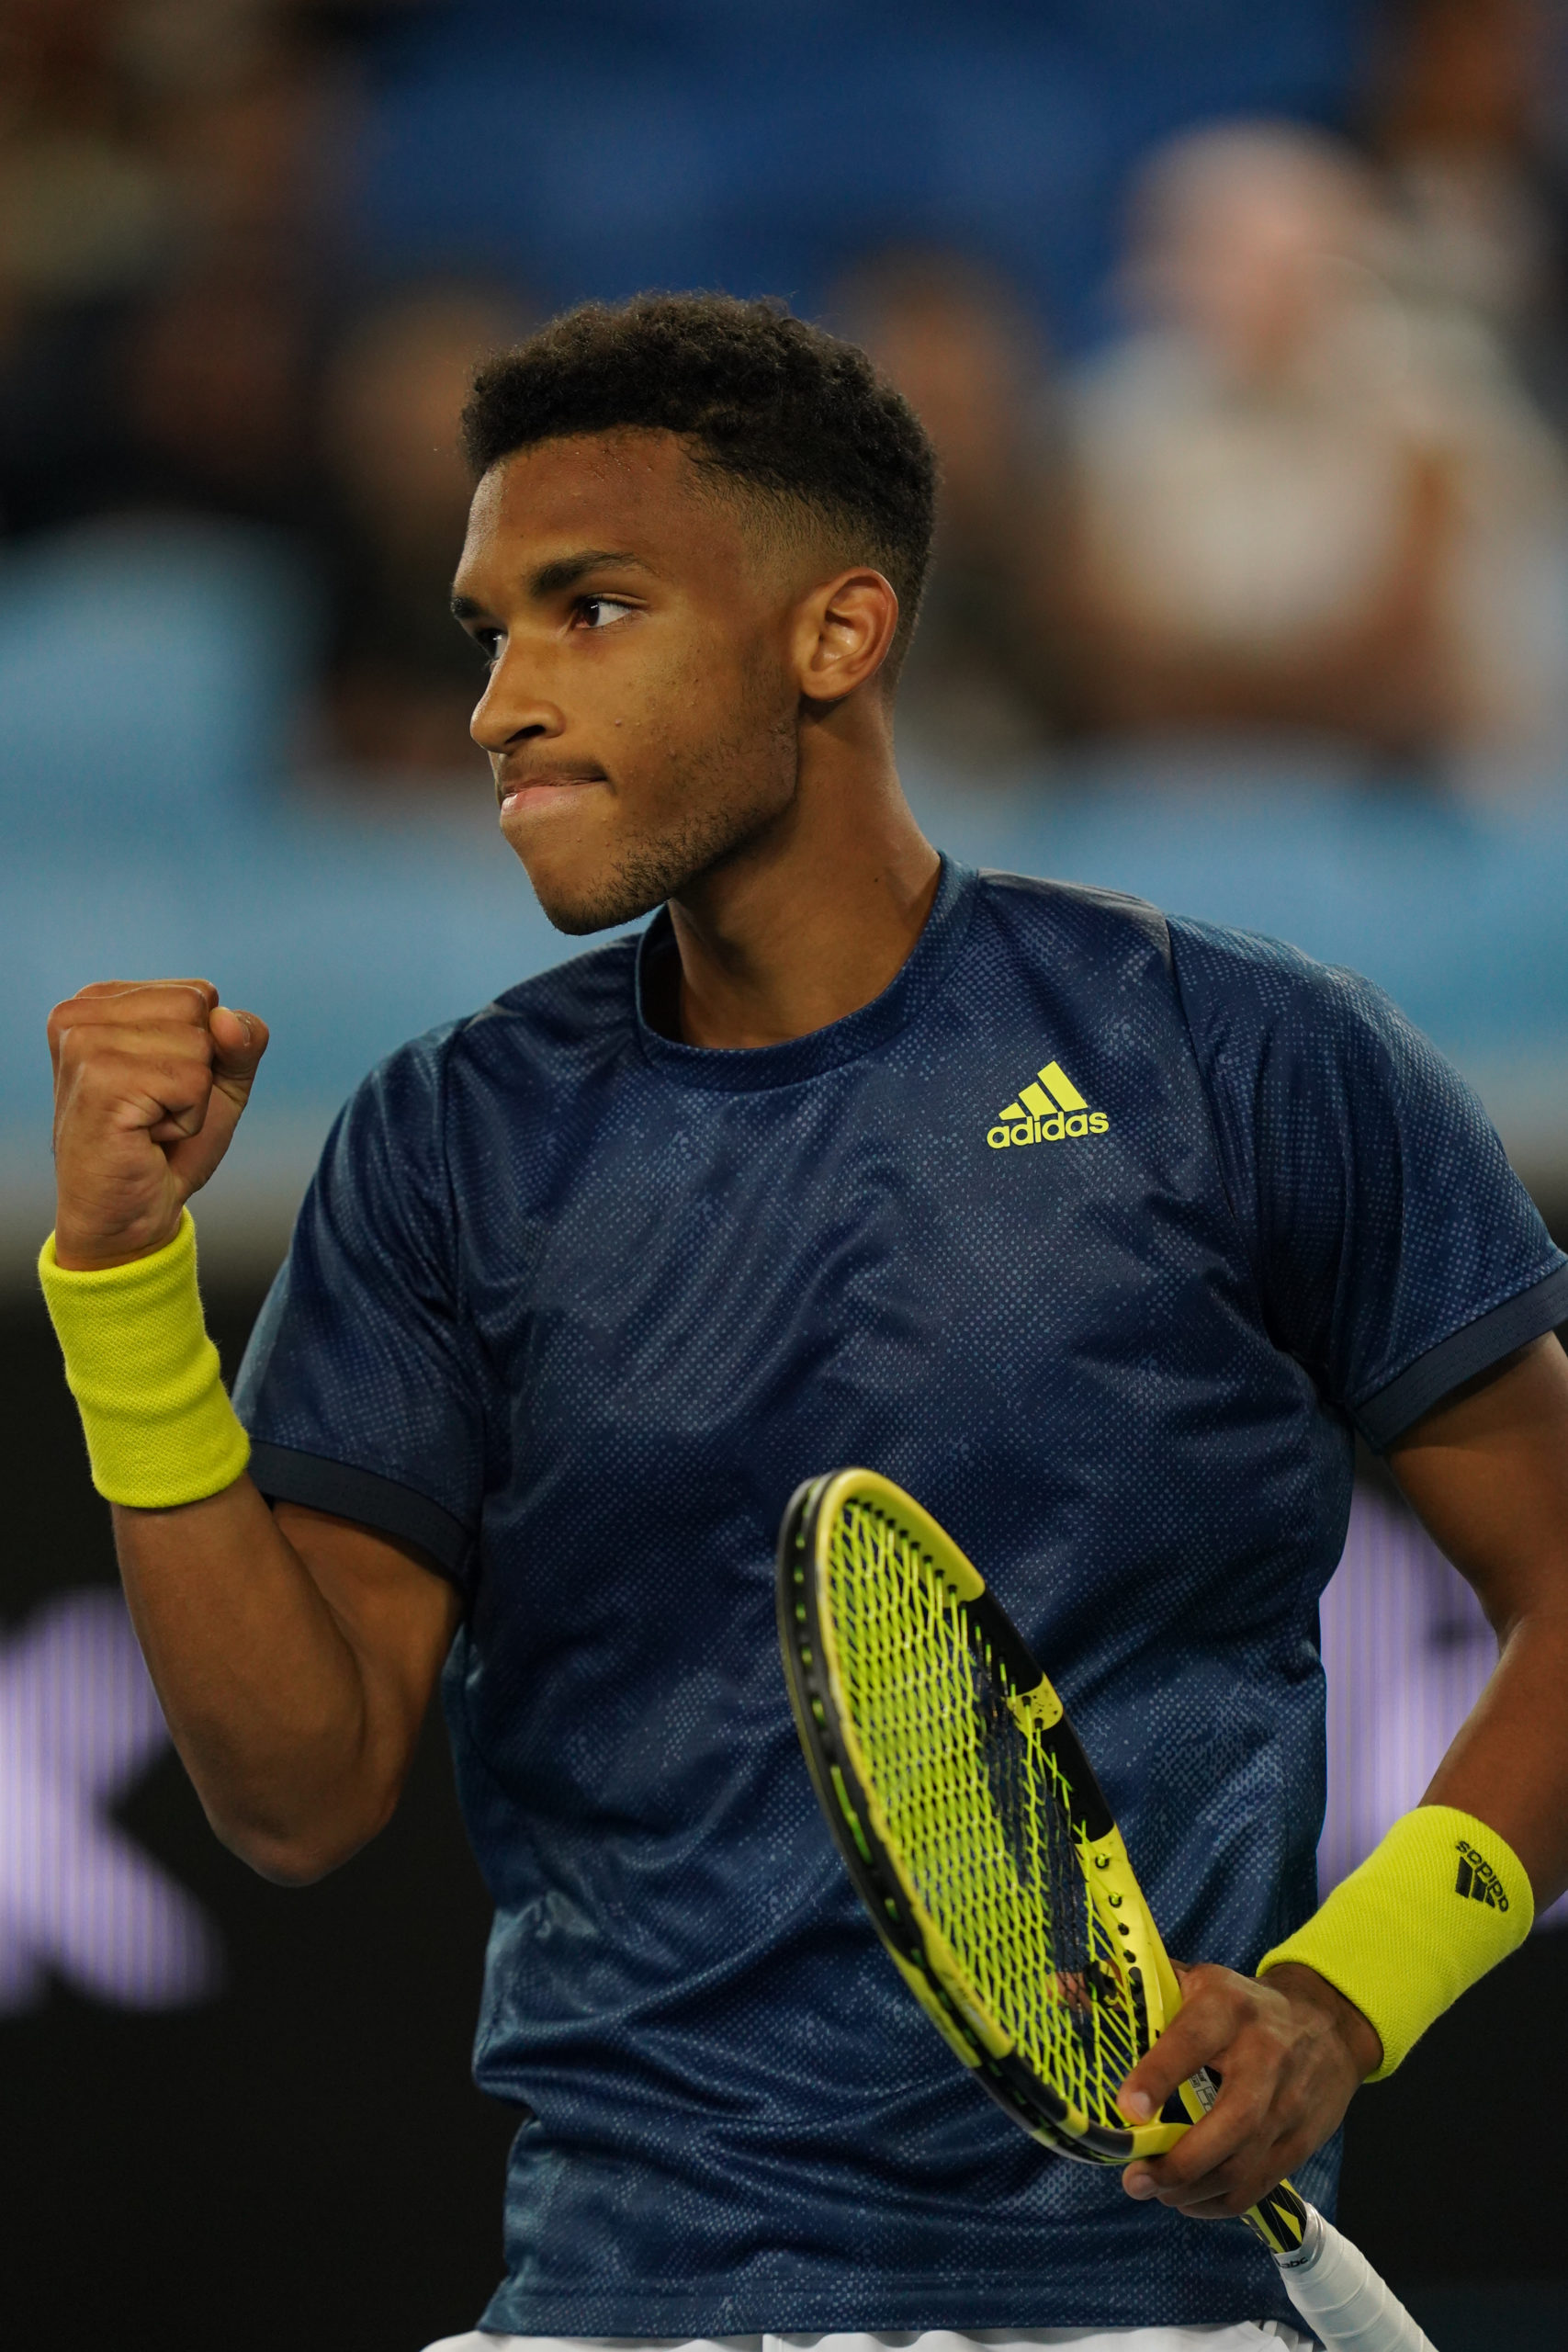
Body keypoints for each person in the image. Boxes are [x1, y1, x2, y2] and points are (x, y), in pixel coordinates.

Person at [39, 295, 1568, 2351]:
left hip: (1128, 2295)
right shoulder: (443, 1142)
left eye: (589, 611)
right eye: (486, 630)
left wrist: (1343, 1992)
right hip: (609, 2295)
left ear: (834, 636)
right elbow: (292, 1794)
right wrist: (124, 1290)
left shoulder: (1234, 1055)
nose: (497, 704)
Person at [1062, 121, 1566, 763]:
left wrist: (1256, 698)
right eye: (1227, 259)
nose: (1268, 293)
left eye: (1294, 264)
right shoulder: (1108, 419)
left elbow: (1411, 667)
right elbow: (1101, 653)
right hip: (1169, 771)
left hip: (1414, 778)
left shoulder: (1436, 419)